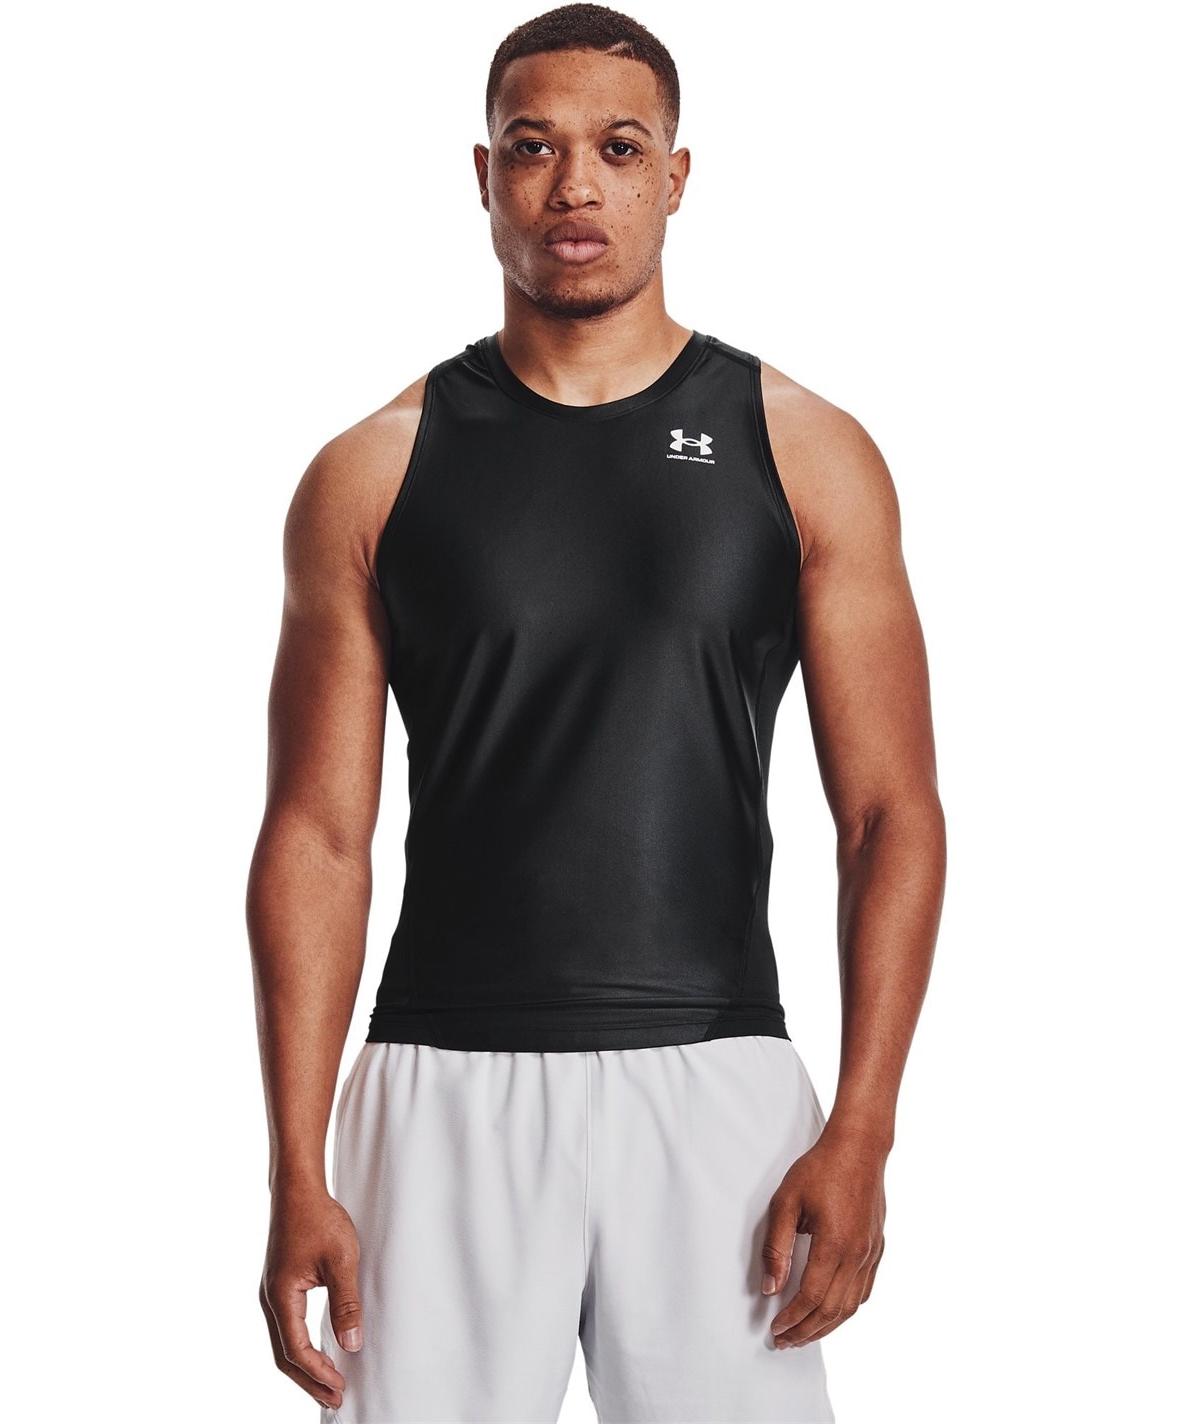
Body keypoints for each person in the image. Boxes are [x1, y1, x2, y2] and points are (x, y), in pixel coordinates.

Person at [248, 4, 946, 1421]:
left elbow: (889, 817)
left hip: (718, 1084)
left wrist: (863, 1125)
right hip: (440, 1083)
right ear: (483, 174)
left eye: (619, 149)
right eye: (533, 147)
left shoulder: (803, 450)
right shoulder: (373, 470)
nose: (575, 185)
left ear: (675, 176)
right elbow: (317, 835)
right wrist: (295, 1169)